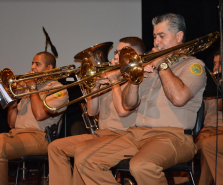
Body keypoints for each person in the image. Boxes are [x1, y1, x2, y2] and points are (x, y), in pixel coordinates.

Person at [74, 13, 207, 185]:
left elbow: (179, 98)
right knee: (85, 160)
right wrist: (135, 77)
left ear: (179, 36)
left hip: (174, 137)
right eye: (154, 36)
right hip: (136, 134)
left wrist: (162, 65)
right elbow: (129, 104)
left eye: (161, 36)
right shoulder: (148, 67)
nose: (156, 42)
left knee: (141, 165)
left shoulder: (193, 65)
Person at [47, 37, 146, 185]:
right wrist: (94, 86)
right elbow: (92, 112)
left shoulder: (137, 79)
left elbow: (123, 111)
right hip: (102, 134)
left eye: (120, 52)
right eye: (116, 52)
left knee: (82, 153)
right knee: (56, 147)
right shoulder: (114, 77)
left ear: (134, 55)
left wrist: (113, 82)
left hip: (124, 135)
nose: (115, 56)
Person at [0, 51, 69, 185]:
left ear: (49, 68)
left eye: (37, 64)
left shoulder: (58, 89)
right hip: (16, 134)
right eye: (32, 63)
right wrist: (12, 99)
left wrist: (31, 87)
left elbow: (40, 115)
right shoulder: (26, 90)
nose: (32, 67)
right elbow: (12, 124)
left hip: (39, 137)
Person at [196, 50, 223, 185]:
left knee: (209, 146)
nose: (216, 68)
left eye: (220, 64)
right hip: (207, 130)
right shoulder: (209, 85)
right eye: (214, 63)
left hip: (221, 131)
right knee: (196, 145)